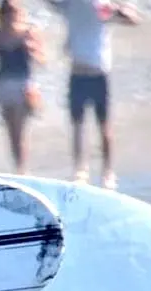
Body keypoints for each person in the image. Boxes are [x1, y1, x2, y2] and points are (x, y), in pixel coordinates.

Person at [44, 0, 140, 189]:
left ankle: (108, 172)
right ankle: (80, 171)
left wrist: (119, 8)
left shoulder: (101, 6)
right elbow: (51, 3)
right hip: (77, 73)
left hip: (98, 73)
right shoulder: (70, 5)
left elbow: (133, 20)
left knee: (104, 126)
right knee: (78, 125)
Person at [0, 0, 46, 174]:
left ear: (18, 13)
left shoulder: (29, 33)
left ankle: (22, 168)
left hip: (25, 86)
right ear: (1, 16)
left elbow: (43, 61)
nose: (9, 17)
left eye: (13, 13)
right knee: (11, 132)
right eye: (6, 13)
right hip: (4, 86)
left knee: (19, 128)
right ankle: (19, 167)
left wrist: (33, 51)